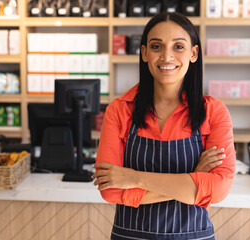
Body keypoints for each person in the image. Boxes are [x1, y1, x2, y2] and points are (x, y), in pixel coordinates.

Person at [92, 11, 236, 240]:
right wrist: (193, 180)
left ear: (194, 53)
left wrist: (134, 178)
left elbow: (218, 189)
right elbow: (110, 190)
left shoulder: (213, 112)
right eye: (156, 46)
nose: (166, 56)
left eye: (178, 46)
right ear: (144, 53)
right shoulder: (119, 110)